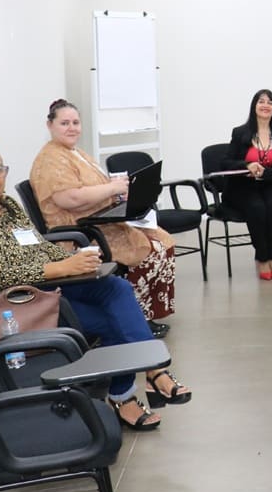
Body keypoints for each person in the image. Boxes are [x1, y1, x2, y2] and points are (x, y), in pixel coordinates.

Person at [0, 145, 191, 431]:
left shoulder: (7, 207)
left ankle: (153, 369)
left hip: (49, 287)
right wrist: (62, 268)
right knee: (113, 322)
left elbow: (39, 246)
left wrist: (74, 259)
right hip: (19, 306)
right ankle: (127, 396)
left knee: (116, 288)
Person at [30, 100, 175, 335]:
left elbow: (97, 187)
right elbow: (69, 199)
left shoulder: (75, 153)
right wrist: (112, 189)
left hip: (97, 221)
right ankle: (138, 316)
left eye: (75, 123)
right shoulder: (51, 158)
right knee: (151, 248)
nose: (71, 128)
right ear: (50, 125)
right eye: (64, 123)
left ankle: (143, 313)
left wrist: (118, 190)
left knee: (162, 238)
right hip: (79, 233)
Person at [221, 89, 272, 280]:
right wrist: (247, 165)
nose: (265, 105)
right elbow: (226, 162)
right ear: (254, 106)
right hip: (242, 186)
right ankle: (262, 258)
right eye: (261, 101)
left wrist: (266, 173)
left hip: (268, 183)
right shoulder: (240, 133)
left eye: (270, 102)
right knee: (257, 207)